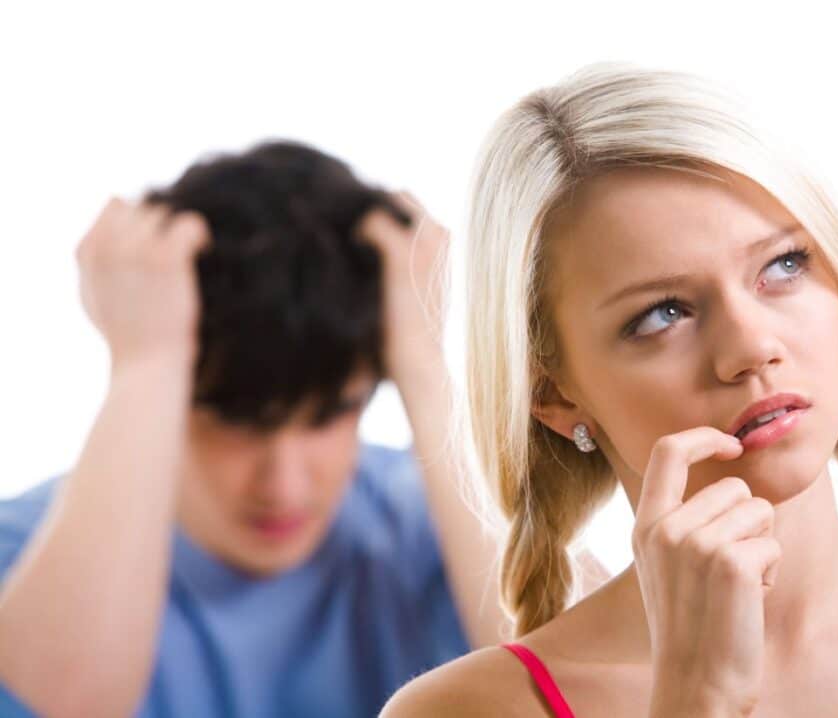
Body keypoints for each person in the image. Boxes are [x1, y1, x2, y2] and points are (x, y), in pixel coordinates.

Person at [382, 64, 838, 718]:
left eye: (784, 264)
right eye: (663, 314)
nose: (751, 348)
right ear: (555, 398)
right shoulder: (467, 710)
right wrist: (695, 698)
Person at [0, 141, 511, 717]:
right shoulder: (23, 555)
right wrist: (146, 362)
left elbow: (582, 684)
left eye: (328, 414)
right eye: (235, 422)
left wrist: (424, 360)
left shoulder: (432, 524)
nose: (284, 487)